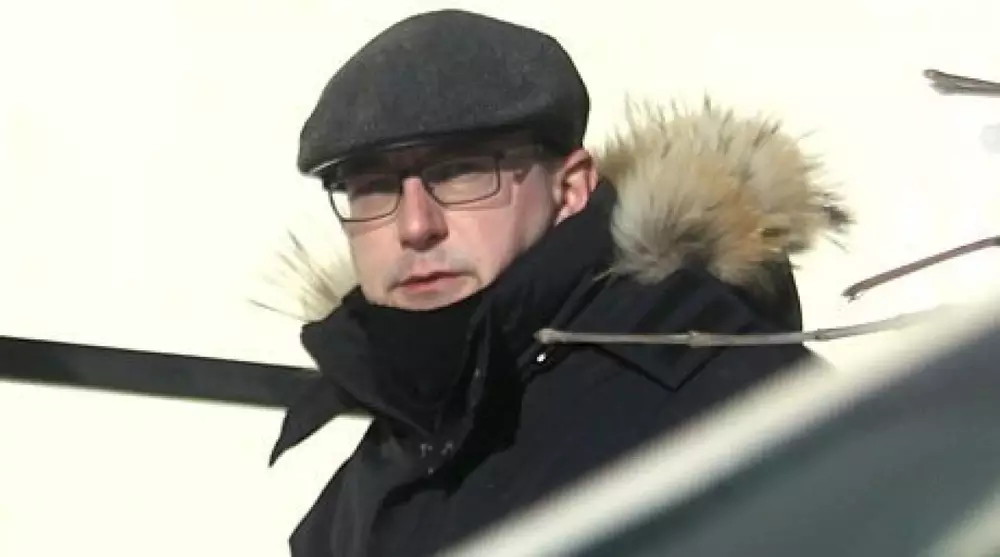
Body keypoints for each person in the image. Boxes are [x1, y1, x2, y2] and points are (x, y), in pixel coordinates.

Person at [258, 8, 852, 557]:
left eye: (461, 173)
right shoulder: (378, 468)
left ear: (571, 190)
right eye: (373, 187)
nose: (415, 226)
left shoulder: (729, 409)